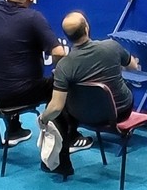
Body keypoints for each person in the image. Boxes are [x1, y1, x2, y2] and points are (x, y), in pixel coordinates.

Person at [37, 11, 138, 177]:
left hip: (83, 115)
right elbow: (132, 66)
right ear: (87, 28)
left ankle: (62, 163)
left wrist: (43, 118)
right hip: (120, 111)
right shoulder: (111, 46)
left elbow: (55, 107)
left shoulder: (64, 66)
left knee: (57, 112)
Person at [0, 0, 68, 147]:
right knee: (60, 84)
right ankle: (70, 138)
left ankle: (13, 130)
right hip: (14, 94)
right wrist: (60, 71)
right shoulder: (33, 18)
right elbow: (59, 52)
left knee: (7, 70)